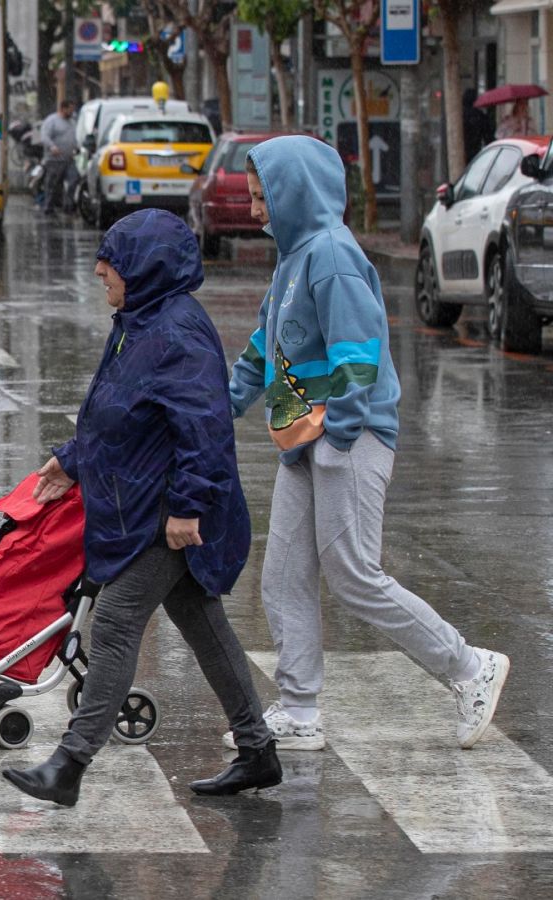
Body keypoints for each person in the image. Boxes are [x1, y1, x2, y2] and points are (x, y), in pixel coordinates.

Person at [229, 136, 510, 753]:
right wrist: (220, 406)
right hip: (305, 441)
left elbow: (358, 349)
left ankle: (470, 668)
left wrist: (341, 433)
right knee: (282, 577)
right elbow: (264, 346)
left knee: (354, 574)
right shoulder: (292, 259)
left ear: (293, 193)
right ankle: (300, 711)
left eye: (262, 198)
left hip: (345, 439)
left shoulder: (330, 256)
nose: (255, 211)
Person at [2, 209, 278, 808]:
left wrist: (187, 508)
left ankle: (69, 765)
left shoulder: (175, 332)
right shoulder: (137, 321)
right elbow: (120, 413)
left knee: (118, 622)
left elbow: (205, 430)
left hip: (167, 512)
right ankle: (258, 752)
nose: (101, 268)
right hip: (148, 504)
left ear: (145, 266)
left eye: (114, 261)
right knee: (206, 628)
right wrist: (71, 459)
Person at [38, 100, 78, 215]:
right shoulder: (52, 121)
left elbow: (74, 137)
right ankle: (49, 207)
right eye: (70, 109)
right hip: (54, 160)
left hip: (69, 159)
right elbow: (45, 137)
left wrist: (76, 147)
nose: (72, 111)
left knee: (73, 181)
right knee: (53, 185)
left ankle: (68, 206)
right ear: (63, 108)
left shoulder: (72, 121)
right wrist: (52, 147)